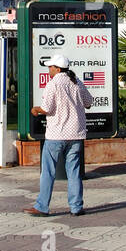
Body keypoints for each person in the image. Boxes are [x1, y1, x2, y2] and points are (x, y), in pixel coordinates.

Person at [25, 54, 91, 217]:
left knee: (48, 171)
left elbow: (47, 109)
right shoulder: (77, 82)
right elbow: (88, 102)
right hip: (76, 134)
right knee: (74, 171)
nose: (49, 69)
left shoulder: (53, 84)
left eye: (51, 67)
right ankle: (76, 207)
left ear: (57, 68)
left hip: (56, 134)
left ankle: (42, 206)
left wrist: (35, 109)